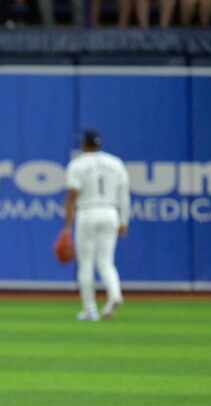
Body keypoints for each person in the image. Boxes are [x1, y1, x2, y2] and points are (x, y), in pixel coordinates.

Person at [63, 129, 129, 321]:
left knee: (86, 263)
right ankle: (114, 295)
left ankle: (89, 309)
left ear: (84, 144)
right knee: (106, 261)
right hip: (110, 212)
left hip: (87, 212)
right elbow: (124, 194)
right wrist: (124, 220)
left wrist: (67, 226)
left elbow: (72, 195)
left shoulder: (77, 164)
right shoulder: (115, 163)